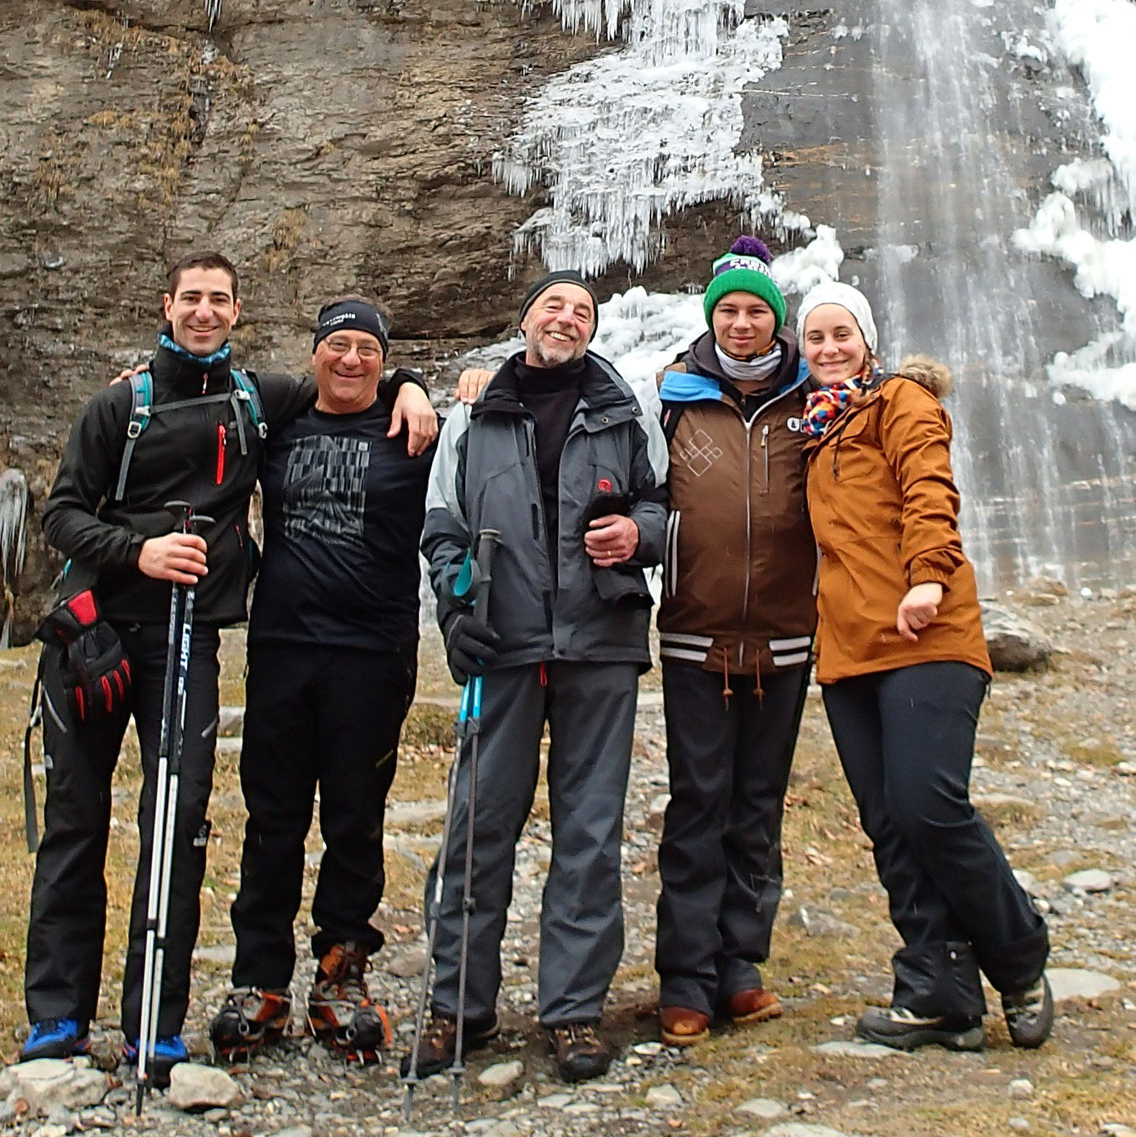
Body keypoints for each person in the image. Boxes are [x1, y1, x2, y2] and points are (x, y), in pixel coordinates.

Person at [21, 255, 437, 1074]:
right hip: (117, 638)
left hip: (238, 643)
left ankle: (188, 1012)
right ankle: (75, 1011)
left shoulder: (285, 402)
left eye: (220, 300)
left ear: (238, 311)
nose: (205, 311)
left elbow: (375, 375)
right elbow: (62, 510)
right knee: (89, 821)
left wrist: (416, 381)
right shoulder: (137, 405)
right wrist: (136, 552)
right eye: (192, 299)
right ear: (167, 305)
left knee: (192, 824)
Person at [409, 271, 669, 1084]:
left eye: (582, 311)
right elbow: (443, 527)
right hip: (507, 642)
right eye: (553, 306)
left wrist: (638, 532)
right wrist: (458, 613)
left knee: (589, 831)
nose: (567, 318)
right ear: (525, 320)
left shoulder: (629, 413)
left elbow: (666, 509)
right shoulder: (473, 413)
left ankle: (574, 1013)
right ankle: (458, 1004)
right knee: (477, 825)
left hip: (600, 642)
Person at [792, 280, 1054, 1054]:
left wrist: (930, 575)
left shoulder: (899, 402)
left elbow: (929, 489)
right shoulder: (809, 429)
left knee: (930, 806)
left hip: (926, 635)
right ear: (800, 352)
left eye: (844, 334)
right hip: (847, 651)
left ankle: (1019, 959)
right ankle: (937, 989)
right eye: (815, 338)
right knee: (890, 826)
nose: (831, 348)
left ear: (868, 342)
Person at [209, 298, 436, 1065]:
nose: (350, 359)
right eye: (337, 345)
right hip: (282, 648)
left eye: (367, 349)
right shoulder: (280, 424)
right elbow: (203, 394)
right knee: (271, 818)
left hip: (372, 656)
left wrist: (420, 385)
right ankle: (259, 979)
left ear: (382, 358)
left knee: (355, 819)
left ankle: (342, 972)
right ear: (313, 355)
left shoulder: (414, 430)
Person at [650, 238, 816, 1047]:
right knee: (696, 805)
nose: (742, 324)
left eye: (756, 312)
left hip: (786, 637)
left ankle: (741, 966)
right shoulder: (673, 399)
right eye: (729, 312)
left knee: (758, 806)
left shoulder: (812, 400)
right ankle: (684, 975)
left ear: (776, 322)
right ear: (710, 318)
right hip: (694, 634)